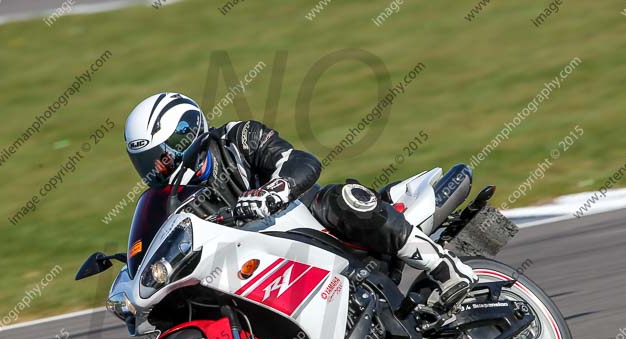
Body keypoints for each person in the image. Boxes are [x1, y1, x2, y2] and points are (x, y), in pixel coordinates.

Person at [123, 92, 477, 313]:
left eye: (160, 157)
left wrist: (271, 192)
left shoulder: (237, 137)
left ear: (186, 135)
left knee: (342, 199)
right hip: (254, 263)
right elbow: (165, 238)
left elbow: (300, 161)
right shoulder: (171, 202)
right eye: (145, 163)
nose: (154, 169)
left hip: (300, 220)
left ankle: (445, 268)